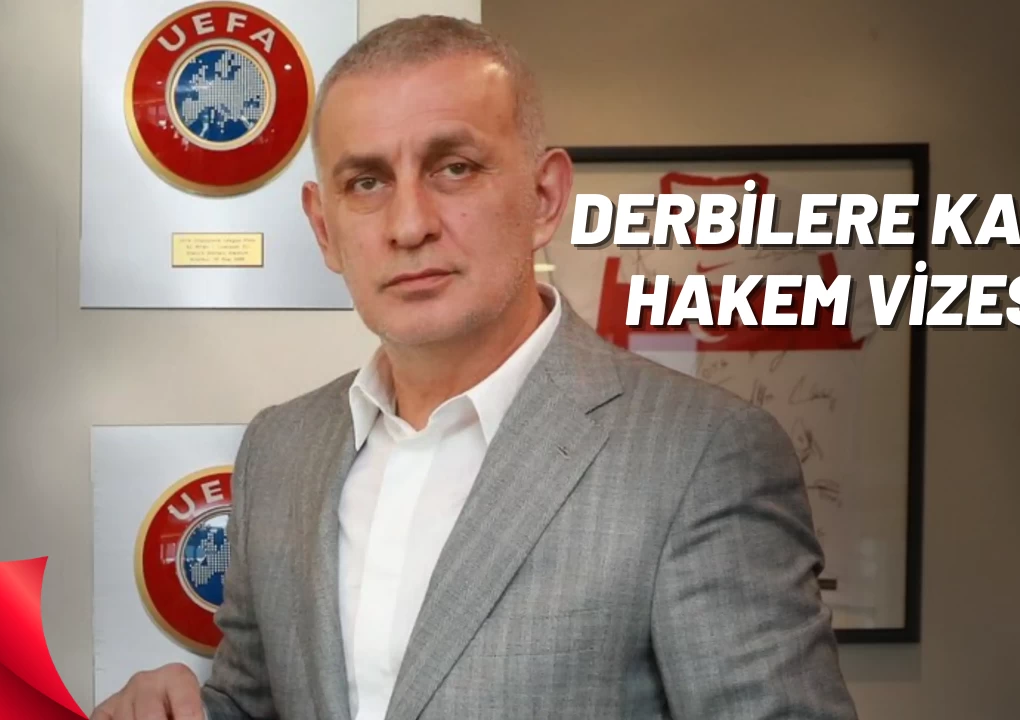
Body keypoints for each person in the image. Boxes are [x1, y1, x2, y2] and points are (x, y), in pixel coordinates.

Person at [93, 15, 857, 720]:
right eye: (366, 183)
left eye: (453, 168)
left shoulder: (700, 455)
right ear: (324, 230)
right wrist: (186, 711)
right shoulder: (281, 449)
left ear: (545, 197)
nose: (409, 224)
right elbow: (259, 703)